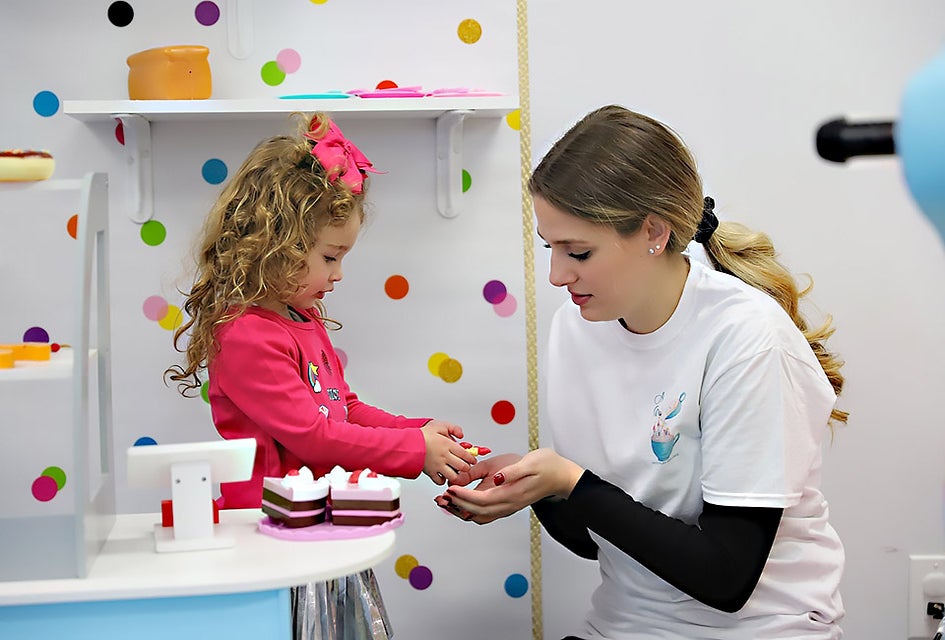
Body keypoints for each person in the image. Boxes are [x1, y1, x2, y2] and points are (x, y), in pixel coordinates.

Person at [437, 105, 848, 640]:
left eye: (578, 251)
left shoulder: (746, 337)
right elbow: (597, 540)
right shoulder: (577, 327)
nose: (558, 275)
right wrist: (531, 485)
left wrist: (571, 484)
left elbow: (726, 578)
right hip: (626, 625)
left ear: (654, 231)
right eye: (550, 249)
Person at [165, 112, 478, 640]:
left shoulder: (299, 318)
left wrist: (417, 432)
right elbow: (313, 435)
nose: (338, 275)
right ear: (276, 246)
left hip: (312, 525)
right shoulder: (245, 336)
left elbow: (344, 408)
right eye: (330, 257)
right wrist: (412, 451)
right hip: (272, 537)